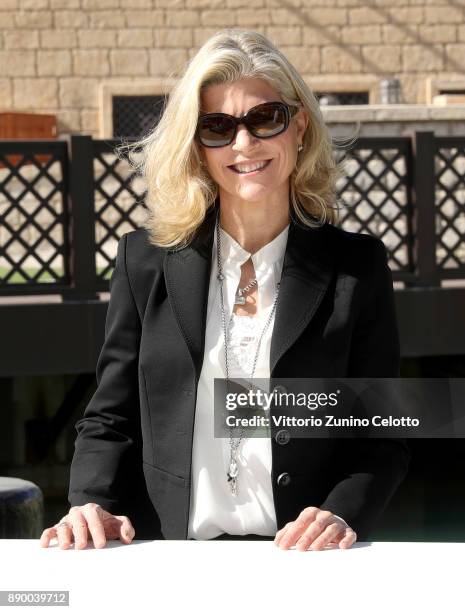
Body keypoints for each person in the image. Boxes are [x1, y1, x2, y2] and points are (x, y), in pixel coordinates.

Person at [40, 28, 409, 552]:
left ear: (299, 126)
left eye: (265, 119)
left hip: (304, 565)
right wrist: (91, 500)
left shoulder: (358, 267)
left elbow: (382, 432)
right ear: (197, 146)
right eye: (218, 127)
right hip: (170, 560)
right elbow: (111, 415)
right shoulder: (142, 262)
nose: (244, 144)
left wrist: (341, 511)